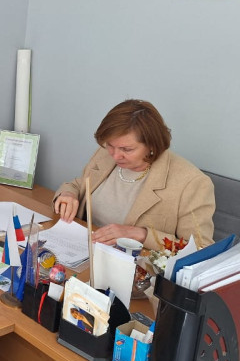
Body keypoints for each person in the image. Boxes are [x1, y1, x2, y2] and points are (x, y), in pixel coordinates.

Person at [53, 99, 215, 250]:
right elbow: (79, 185)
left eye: (127, 149)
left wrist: (141, 235)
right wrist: (68, 194)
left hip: (136, 265)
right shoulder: (106, 154)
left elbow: (201, 248)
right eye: (110, 145)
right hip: (84, 249)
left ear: (152, 145)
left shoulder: (192, 183)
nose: (116, 156)